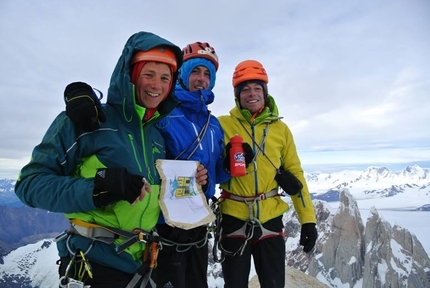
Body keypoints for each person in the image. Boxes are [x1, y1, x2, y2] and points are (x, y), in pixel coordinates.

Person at [14, 31, 208, 288]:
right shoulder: (89, 120)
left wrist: (189, 184)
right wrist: (97, 189)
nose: (156, 85)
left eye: (165, 78)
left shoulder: (155, 136)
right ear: (130, 75)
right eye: (148, 74)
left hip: (143, 262)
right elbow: (29, 185)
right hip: (95, 261)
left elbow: (150, 195)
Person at [61, 41, 237, 288]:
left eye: (208, 74)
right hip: (164, 222)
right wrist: (82, 96)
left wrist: (226, 168)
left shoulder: (214, 124)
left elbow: (216, 176)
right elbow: (139, 151)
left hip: (198, 220)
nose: (201, 79)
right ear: (182, 75)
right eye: (195, 71)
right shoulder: (163, 114)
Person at [215, 59, 318, 288]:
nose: (252, 94)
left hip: (270, 218)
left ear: (265, 92)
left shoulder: (281, 130)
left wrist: (308, 220)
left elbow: (295, 175)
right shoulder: (222, 125)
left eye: (257, 88)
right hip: (234, 217)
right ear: (237, 95)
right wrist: (226, 163)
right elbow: (210, 169)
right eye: (245, 89)